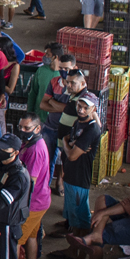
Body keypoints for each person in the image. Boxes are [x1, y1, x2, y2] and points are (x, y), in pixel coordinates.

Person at [56, 95, 104, 246]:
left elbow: (71, 155)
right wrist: (70, 144)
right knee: (74, 215)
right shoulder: (78, 122)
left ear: (94, 109)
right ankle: (72, 245)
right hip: (70, 176)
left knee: (81, 219)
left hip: (79, 178)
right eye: (79, 106)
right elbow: (71, 145)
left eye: (86, 108)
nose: (81, 110)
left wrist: (65, 141)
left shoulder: (91, 129)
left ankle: (79, 255)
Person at [12, 112, 53, 259]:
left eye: (26, 128)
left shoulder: (36, 150)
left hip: (33, 203)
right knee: (31, 237)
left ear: (37, 128)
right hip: (40, 200)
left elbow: (30, 181)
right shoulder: (30, 143)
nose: (22, 130)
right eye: (20, 127)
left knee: (14, 241)